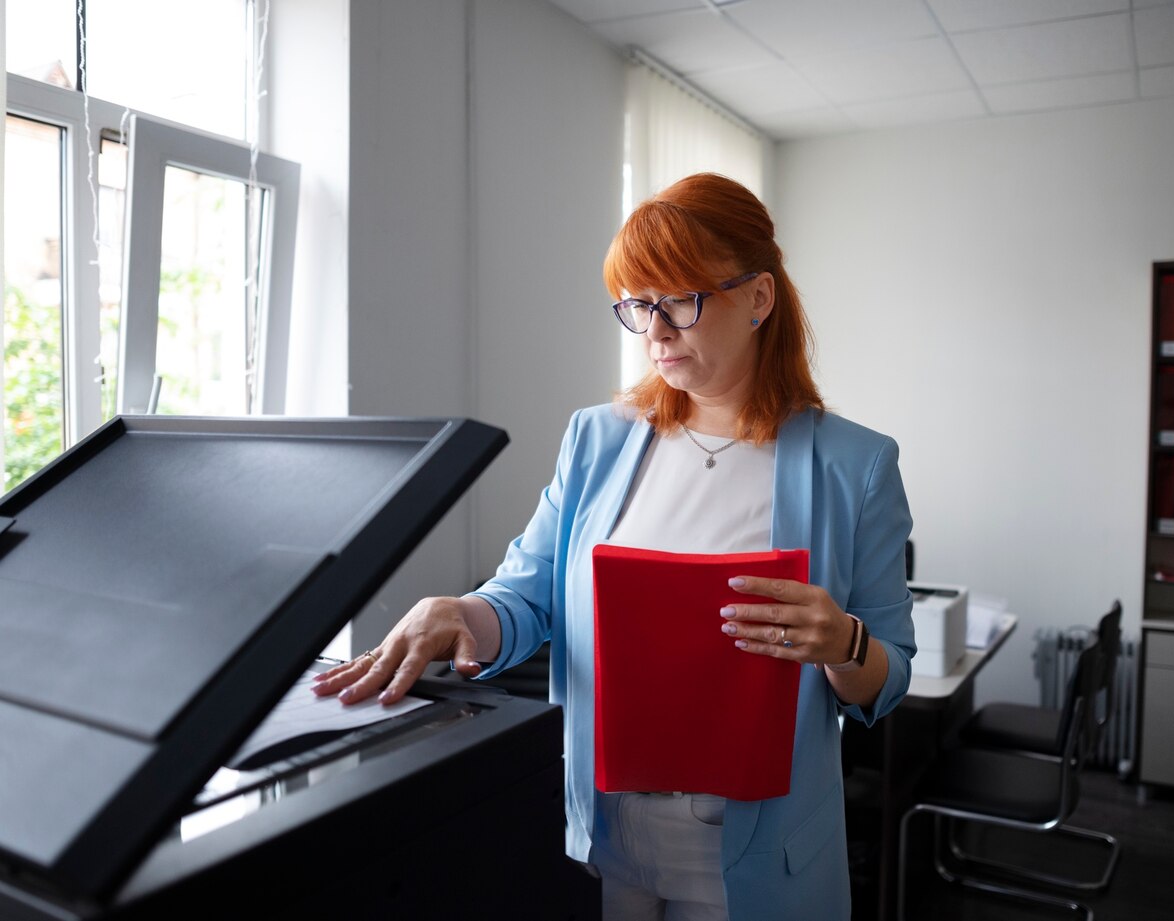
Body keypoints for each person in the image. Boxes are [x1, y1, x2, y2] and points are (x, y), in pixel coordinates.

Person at [313, 172, 916, 919]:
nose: (656, 330)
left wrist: (843, 640)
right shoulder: (599, 438)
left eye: (681, 300)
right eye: (637, 303)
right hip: (605, 832)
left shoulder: (855, 466)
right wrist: (461, 612)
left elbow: (889, 678)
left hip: (761, 852)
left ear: (758, 298)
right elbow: (526, 596)